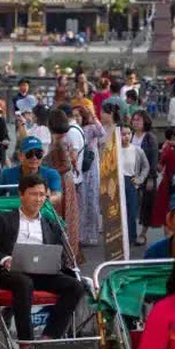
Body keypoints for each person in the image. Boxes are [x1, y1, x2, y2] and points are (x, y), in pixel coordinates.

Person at [0, 174, 85, 342]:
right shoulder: (3, 220)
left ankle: (50, 335)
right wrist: (6, 259)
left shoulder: (51, 224)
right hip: (10, 273)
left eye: (42, 195)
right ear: (21, 195)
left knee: (76, 286)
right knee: (24, 282)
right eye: (33, 194)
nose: (38, 199)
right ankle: (26, 341)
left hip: (42, 272)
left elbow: (60, 252)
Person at [48, 109, 82, 262]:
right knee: (66, 217)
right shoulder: (64, 139)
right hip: (66, 180)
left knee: (62, 218)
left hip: (61, 180)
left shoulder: (59, 142)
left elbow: (67, 165)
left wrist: (50, 170)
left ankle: (66, 255)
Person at [72, 105, 106, 246]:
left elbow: (102, 132)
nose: (76, 118)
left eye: (78, 115)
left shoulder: (90, 128)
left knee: (91, 201)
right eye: (74, 115)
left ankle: (91, 235)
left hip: (90, 167)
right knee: (80, 202)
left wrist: (94, 117)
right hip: (78, 168)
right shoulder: (73, 129)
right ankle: (80, 235)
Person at [0, 136, 62, 206]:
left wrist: (45, 199)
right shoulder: (7, 174)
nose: (34, 158)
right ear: (20, 156)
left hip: (41, 213)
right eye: (29, 154)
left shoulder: (51, 174)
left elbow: (57, 195)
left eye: (38, 154)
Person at [131, 110, 159, 246]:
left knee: (146, 205)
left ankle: (143, 233)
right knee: (131, 204)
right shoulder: (129, 135)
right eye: (134, 119)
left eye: (138, 120)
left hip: (145, 175)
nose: (135, 122)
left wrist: (151, 178)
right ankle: (131, 232)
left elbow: (153, 160)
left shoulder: (150, 138)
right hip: (131, 174)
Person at [120, 125, 150, 245]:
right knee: (119, 212)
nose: (126, 137)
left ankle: (131, 237)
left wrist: (140, 179)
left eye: (128, 134)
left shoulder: (137, 150)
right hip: (119, 181)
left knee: (131, 212)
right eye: (123, 134)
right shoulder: (115, 150)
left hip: (131, 181)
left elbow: (145, 166)